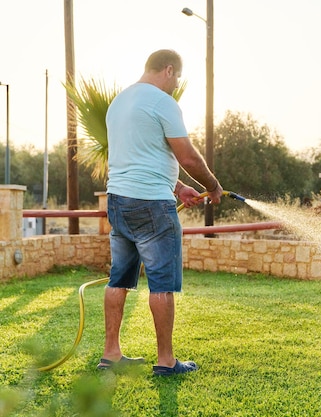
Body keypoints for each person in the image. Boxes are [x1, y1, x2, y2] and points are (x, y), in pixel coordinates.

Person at [97, 49, 223, 376]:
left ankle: (111, 353)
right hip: (152, 205)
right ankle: (166, 361)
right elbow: (189, 156)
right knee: (162, 285)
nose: (176, 84)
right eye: (177, 77)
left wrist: (178, 188)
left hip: (119, 201)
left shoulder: (119, 103)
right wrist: (213, 185)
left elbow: (142, 155)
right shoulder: (163, 102)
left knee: (119, 278)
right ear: (169, 70)